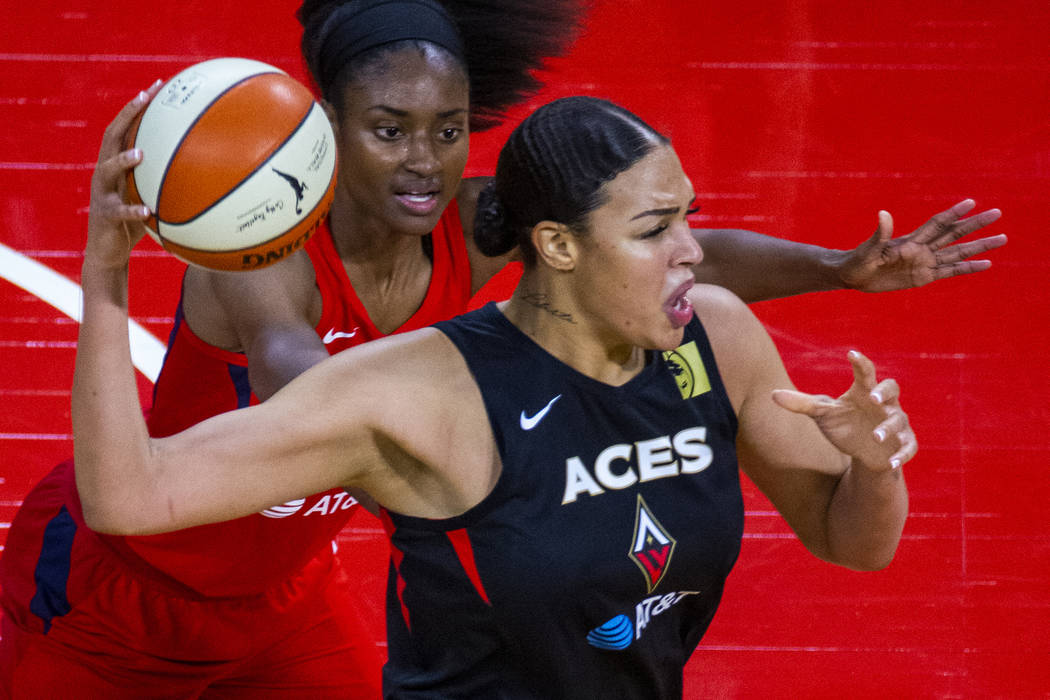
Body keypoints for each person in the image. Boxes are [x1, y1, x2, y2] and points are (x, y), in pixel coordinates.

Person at [0, 0, 1003, 696]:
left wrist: (840, 265)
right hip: (119, 599)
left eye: (446, 130)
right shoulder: (267, 254)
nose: (423, 160)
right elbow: (294, 376)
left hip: (280, 602)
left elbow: (664, 248)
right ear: (327, 131)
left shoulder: (470, 225)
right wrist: (444, 421)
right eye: (389, 129)